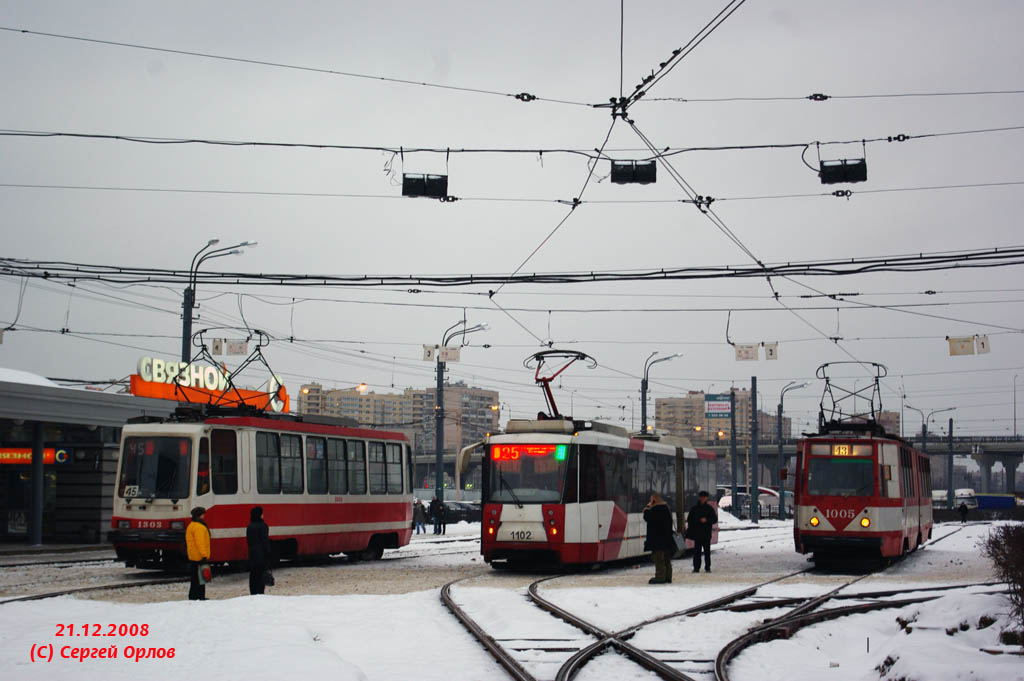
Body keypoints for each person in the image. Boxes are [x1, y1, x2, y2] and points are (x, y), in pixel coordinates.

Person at [643, 493, 675, 584]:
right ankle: (668, 577)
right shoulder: (666, 508)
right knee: (666, 559)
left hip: (657, 540)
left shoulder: (655, 509)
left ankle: (660, 577)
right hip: (667, 539)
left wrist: (647, 508)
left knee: (659, 559)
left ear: (654, 500)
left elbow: (647, 517)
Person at [686, 490, 717, 573]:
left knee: (707, 552)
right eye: (702, 497)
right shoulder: (694, 509)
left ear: (706, 498)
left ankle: (707, 567)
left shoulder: (709, 509)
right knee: (697, 552)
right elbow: (690, 520)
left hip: (706, 534)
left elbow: (714, 519)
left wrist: (706, 520)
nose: (703, 499)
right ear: (700, 498)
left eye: (704, 497)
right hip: (698, 534)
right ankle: (696, 567)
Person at [185, 506, 211, 600]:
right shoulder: (199, 527)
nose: (204, 516)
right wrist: (204, 555)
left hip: (193, 556)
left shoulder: (191, 525)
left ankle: (193, 595)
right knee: (201, 578)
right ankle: (200, 596)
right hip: (199, 556)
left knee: (194, 578)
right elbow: (200, 543)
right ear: (200, 515)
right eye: (203, 514)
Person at [246, 506, 272, 595]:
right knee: (261, 574)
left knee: (253, 575)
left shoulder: (249, 526)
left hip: (252, 554)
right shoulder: (263, 526)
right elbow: (265, 540)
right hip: (261, 555)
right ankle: (260, 593)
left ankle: (253, 592)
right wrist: (268, 553)